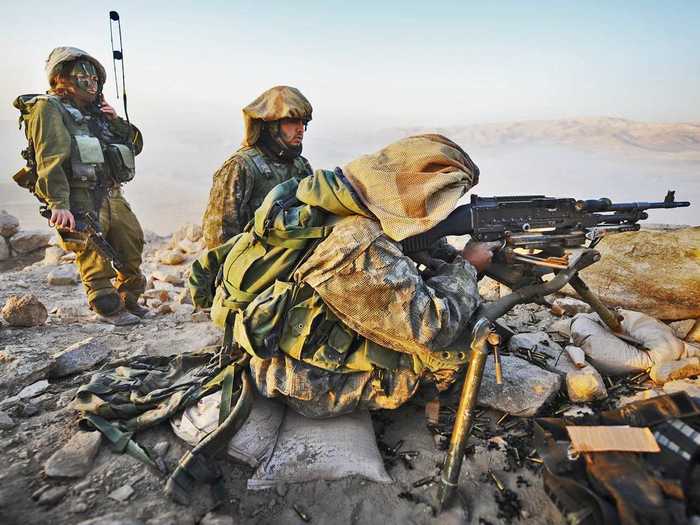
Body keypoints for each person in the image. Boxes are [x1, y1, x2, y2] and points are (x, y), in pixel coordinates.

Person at [191, 134, 495, 417]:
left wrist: (444, 258)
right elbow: (431, 327)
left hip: (288, 347)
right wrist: (468, 266)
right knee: (456, 357)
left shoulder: (344, 199)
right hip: (304, 380)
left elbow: (411, 247)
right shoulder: (360, 241)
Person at [13, 47, 146, 325]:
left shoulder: (97, 112)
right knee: (93, 251)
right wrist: (58, 203)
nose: (90, 82)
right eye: (82, 75)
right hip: (80, 196)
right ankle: (107, 307)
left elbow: (134, 147)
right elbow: (50, 157)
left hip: (112, 191)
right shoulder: (49, 108)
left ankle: (129, 300)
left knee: (131, 244)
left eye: (94, 77)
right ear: (60, 77)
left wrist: (116, 121)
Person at [202, 86, 313, 249]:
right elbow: (217, 236)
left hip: (292, 259)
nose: (300, 130)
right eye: (292, 121)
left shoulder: (301, 166)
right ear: (272, 125)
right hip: (251, 263)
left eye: (303, 122)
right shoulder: (240, 167)